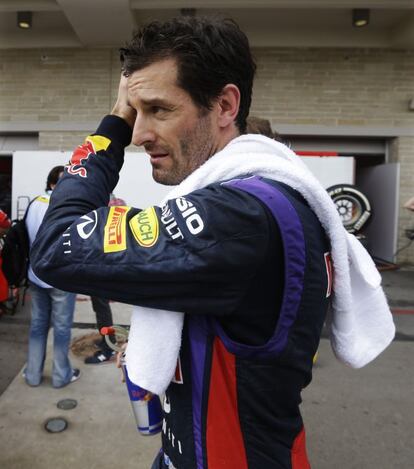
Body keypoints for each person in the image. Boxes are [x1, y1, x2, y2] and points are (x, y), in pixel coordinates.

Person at [30, 16, 394, 468]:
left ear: (224, 105)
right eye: (134, 111)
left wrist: (112, 126)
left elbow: (56, 245)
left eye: (158, 110)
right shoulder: (263, 200)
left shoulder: (240, 218)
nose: (139, 134)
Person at [24, 166, 80, 388]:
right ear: (53, 184)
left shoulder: (35, 203)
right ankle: (60, 376)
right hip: (61, 278)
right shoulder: (66, 207)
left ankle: (32, 374)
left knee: (37, 326)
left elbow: (27, 237)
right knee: (62, 327)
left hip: (36, 274)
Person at [84, 193, 126, 365]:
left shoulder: (107, 208)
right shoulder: (118, 204)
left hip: (104, 267)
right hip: (107, 266)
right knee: (100, 308)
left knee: (102, 309)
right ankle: (106, 339)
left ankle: (108, 348)